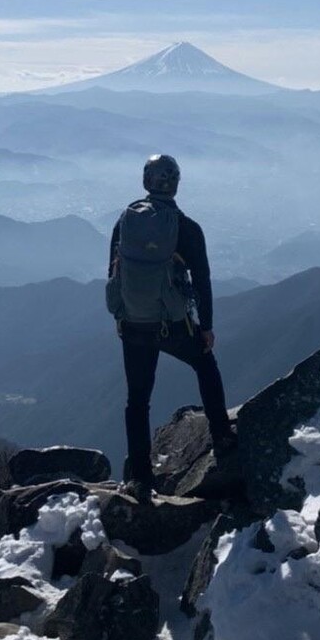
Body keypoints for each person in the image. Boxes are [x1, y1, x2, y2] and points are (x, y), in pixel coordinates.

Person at [107, 153, 235, 500]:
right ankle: (222, 436)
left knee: (137, 400)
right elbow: (203, 280)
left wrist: (120, 316)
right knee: (205, 363)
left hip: (133, 323)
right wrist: (205, 326)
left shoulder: (126, 221)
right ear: (175, 184)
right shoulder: (187, 228)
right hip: (172, 325)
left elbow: (113, 272)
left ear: (146, 182)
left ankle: (141, 477)